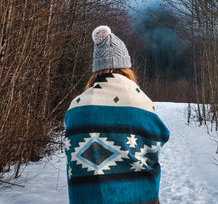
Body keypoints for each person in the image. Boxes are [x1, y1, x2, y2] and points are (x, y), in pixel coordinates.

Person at [64, 26, 170, 204]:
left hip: (88, 198)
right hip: (139, 197)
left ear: (96, 69)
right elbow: (157, 143)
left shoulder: (76, 106)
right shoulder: (141, 101)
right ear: (126, 68)